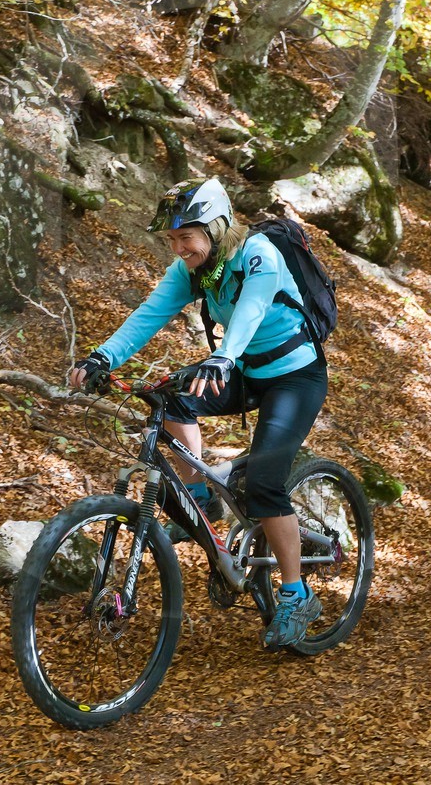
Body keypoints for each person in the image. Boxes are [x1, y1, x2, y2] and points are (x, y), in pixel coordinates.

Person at [68, 177, 328, 650]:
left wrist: (223, 357)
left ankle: (295, 593)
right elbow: (147, 315)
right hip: (241, 370)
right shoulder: (191, 271)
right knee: (169, 397)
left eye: (185, 237)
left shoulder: (259, 253)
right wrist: (102, 357)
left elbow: (250, 310)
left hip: (294, 375)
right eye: (172, 239)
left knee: (267, 484)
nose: (178, 248)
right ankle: (198, 499)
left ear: (216, 226)